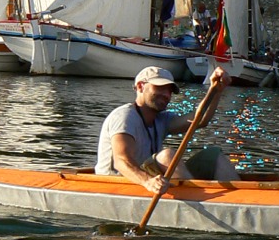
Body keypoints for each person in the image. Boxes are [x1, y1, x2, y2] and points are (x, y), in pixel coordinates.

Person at [96, 66, 238, 193]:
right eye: (160, 88)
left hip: (149, 180)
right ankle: (199, 198)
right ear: (140, 86)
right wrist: (147, 181)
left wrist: (215, 91)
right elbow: (121, 161)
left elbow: (199, 120)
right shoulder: (124, 117)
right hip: (116, 184)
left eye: (169, 90)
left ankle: (239, 198)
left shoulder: (161, 119)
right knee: (167, 155)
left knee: (213, 155)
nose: (166, 95)